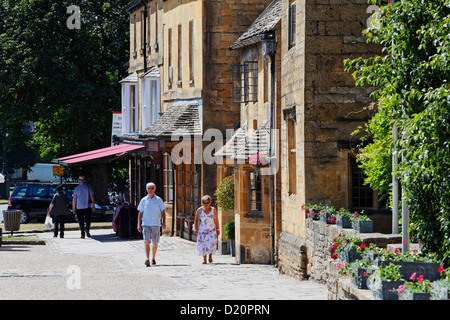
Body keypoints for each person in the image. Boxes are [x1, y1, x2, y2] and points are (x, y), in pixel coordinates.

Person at [137, 182, 166, 267]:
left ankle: (153, 258)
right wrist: (138, 224)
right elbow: (140, 213)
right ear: (146, 190)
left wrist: (163, 222)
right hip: (146, 223)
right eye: (149, 188)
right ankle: (147, 259)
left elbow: (163, 211)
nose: (150, 190)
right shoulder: (143, 200)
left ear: (154, 189)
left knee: (155, 242)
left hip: (156, 223)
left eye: (152, 188)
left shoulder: (159, 200)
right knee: (147, 241)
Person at [194, 195, 220, 264]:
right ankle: (204, 259)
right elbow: (196, 220)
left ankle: (210, 256)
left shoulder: (213, 210)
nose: (206, 204)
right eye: (204, 203)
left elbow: (216, 220)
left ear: (210, 202)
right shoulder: (199, 210)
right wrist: (195, 228)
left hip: (211, 230)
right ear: (202, 203)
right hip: (202, 230)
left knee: (211, 244)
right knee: (203, 245)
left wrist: (218, 229)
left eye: (207, 202)